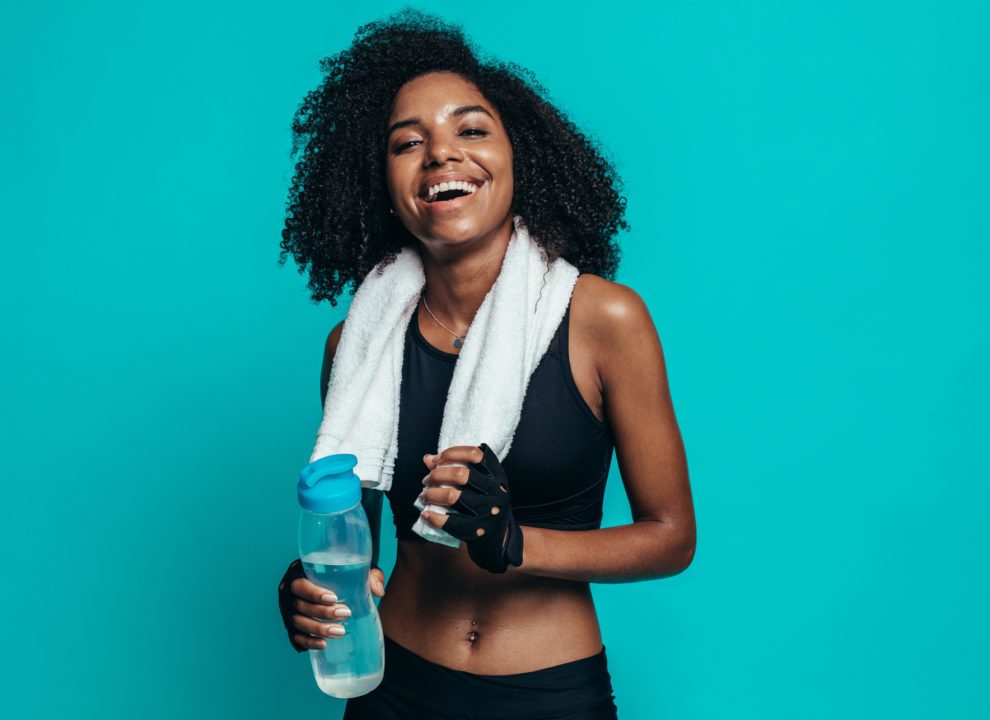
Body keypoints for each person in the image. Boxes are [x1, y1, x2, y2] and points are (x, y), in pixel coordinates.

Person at [275, 10, 695, 719]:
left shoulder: (604, 321)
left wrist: (515, 542)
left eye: (471, 130)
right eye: (409, 143)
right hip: (392, 687)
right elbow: (353, 545)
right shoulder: (357, 345)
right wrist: (306, 591)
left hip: (547, 692)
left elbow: (671, 538)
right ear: (381, 179)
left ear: (519, 155)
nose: (441, 155)